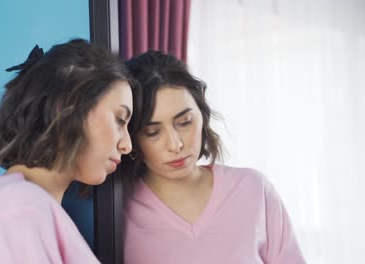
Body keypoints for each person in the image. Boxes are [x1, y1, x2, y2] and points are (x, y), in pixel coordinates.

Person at [0, 39, 138, 263]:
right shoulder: (17, 212)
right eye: (119, 119)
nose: (127, 145)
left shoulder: (31, 209)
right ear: (66, 106)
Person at [120, 50, 306, 264]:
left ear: (202, 115)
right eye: (153, 132)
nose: (176, 144)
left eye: (184, 122)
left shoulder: (254, 189)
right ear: (132, 138)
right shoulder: (119, 212)